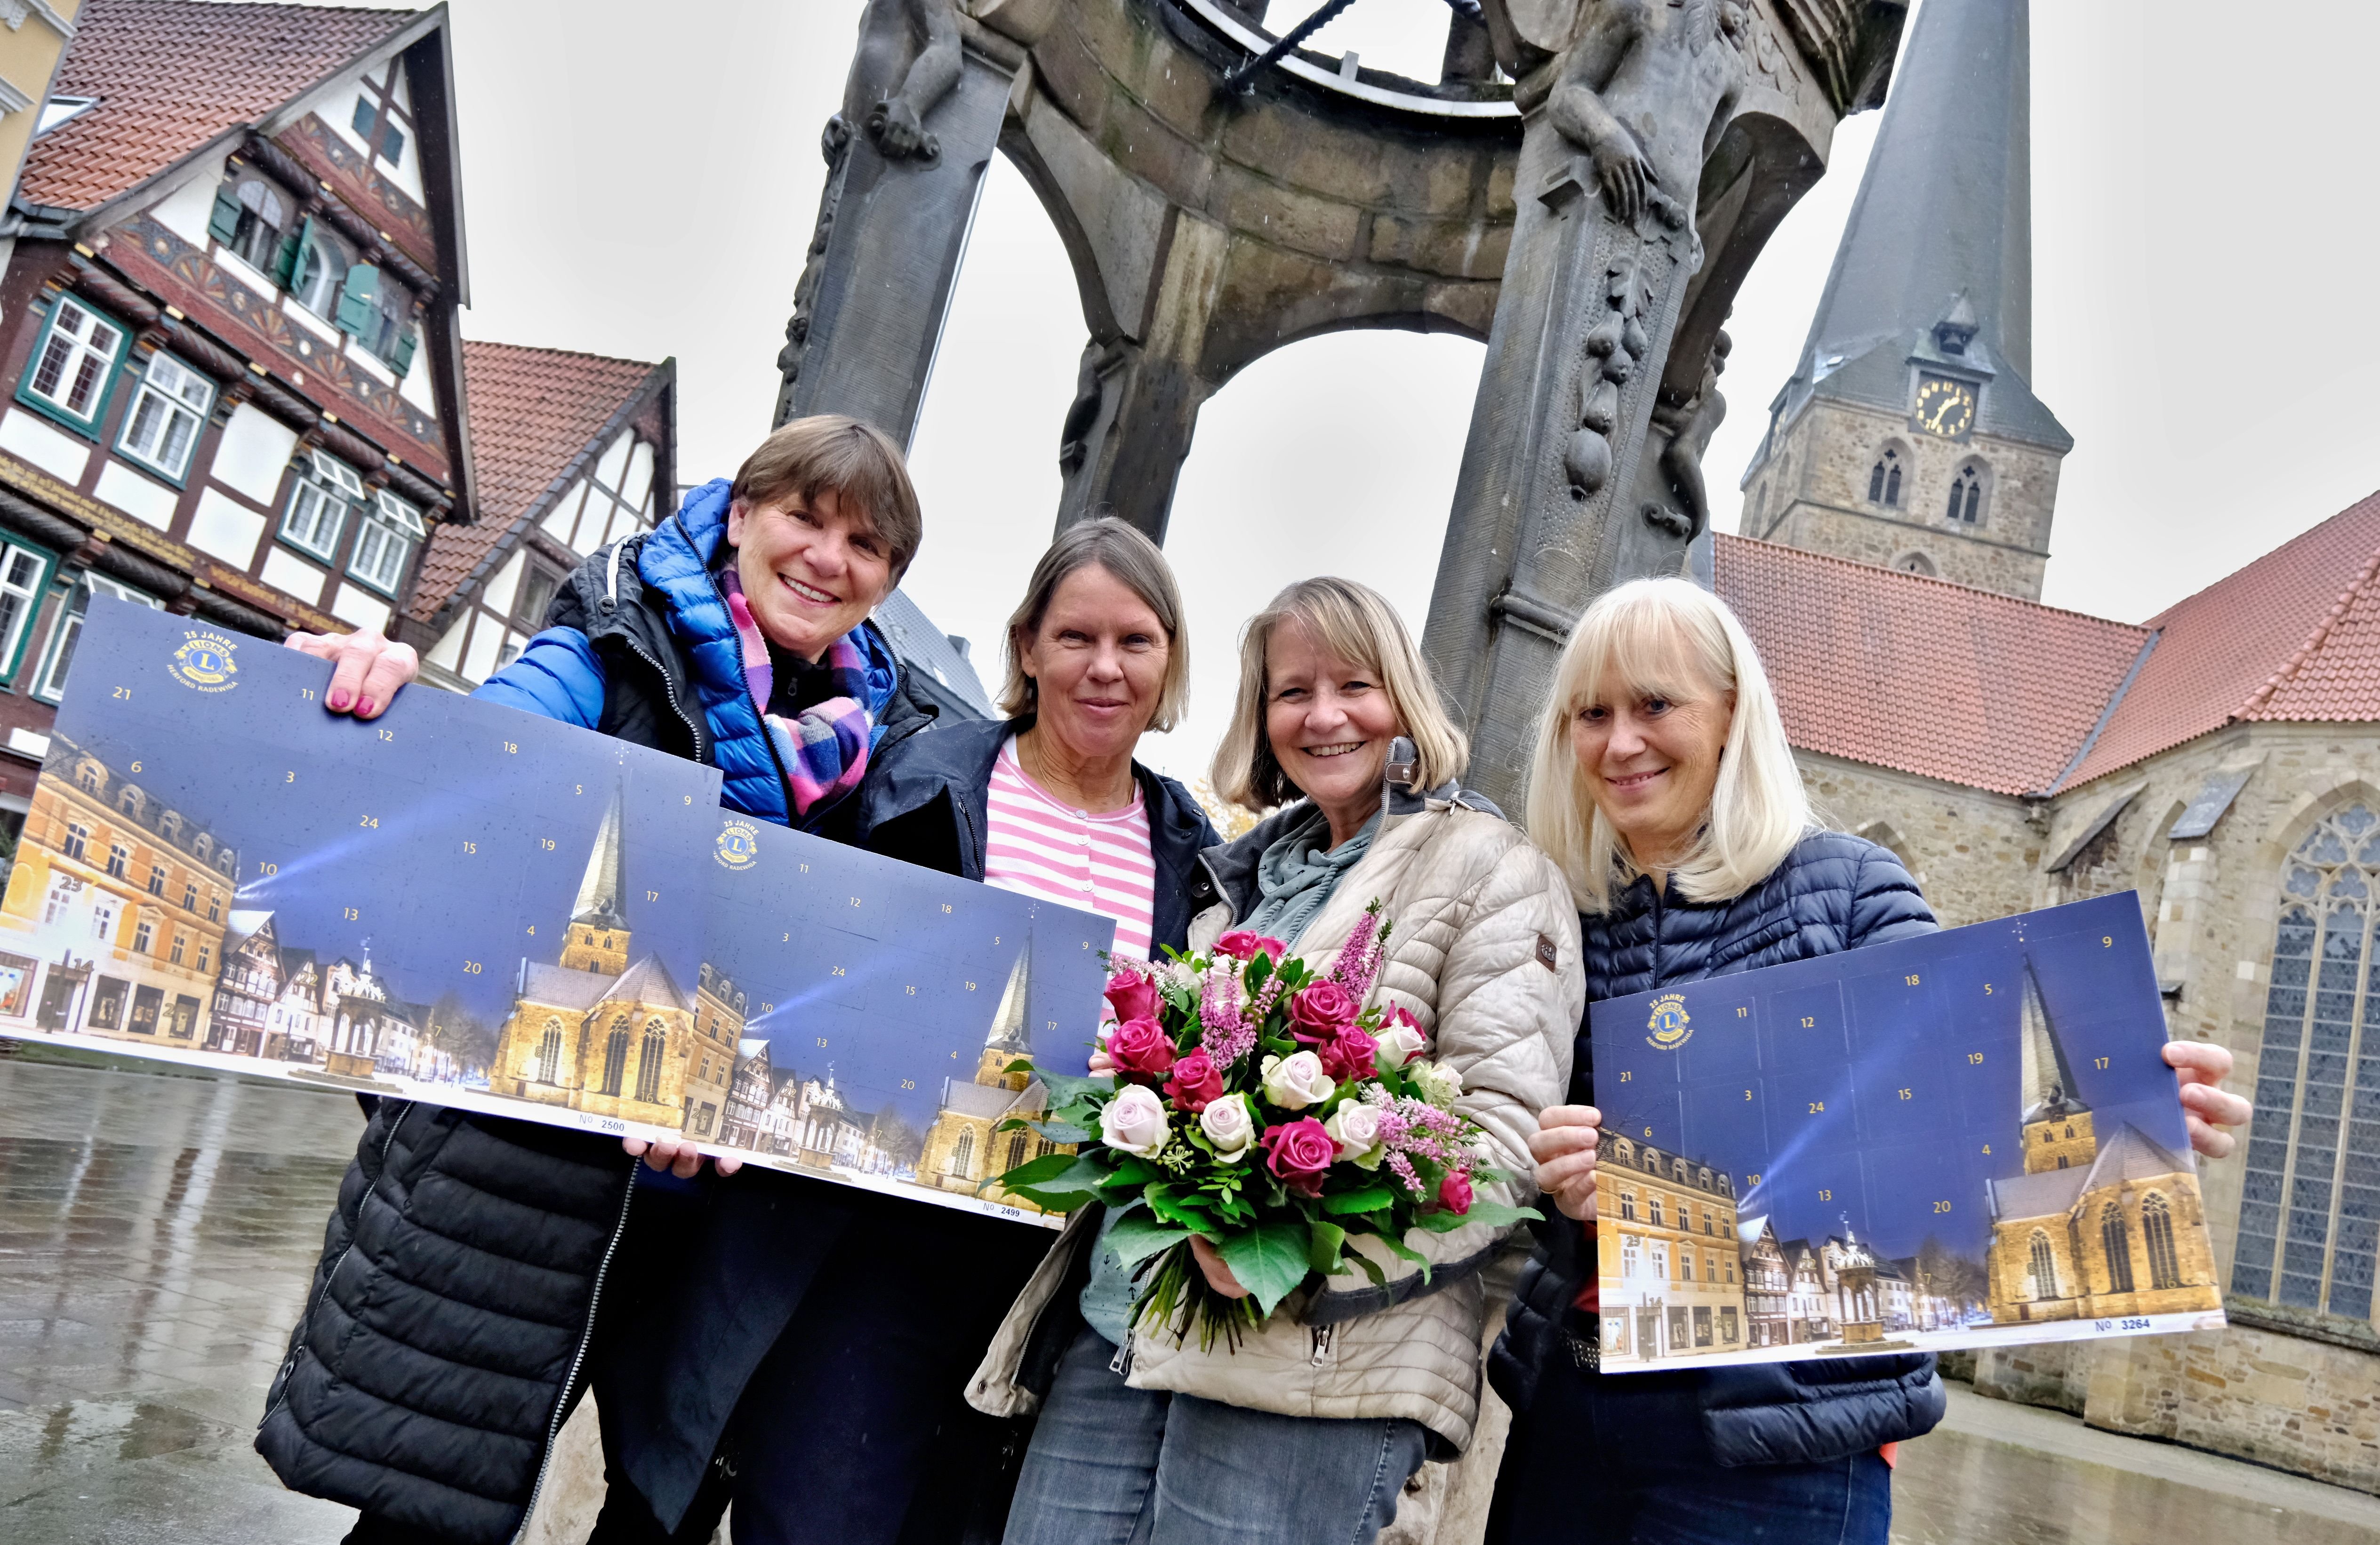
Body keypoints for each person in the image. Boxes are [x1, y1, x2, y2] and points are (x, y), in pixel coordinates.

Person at [258, 415, 943, 1545]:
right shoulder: (612, 649)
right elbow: (467, 775)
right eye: (805, 518)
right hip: (531, 1186)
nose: (830, 557)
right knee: (427, 1520)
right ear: (740, 517)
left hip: (719, 1220)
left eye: (866, 544)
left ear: (887, 582)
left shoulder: (887, 742)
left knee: (653, 1517)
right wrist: (377, 701)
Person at [1485, 576, 2253, 1545]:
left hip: (1790, 1440)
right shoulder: (1557, 911)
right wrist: (1553, 1174)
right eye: (1591, 714)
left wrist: (2129, 1112)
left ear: (1730, 715)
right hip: (1575, 1412)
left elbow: (1952, 1117)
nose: (1620, 742)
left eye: (1655, 704)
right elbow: (1495, 1139)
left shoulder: (1847, 888)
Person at [972, 577, 1584, 1545]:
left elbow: (1498, 1143)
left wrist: (1286, 1260)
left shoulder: (1493, 870)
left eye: (1357, 685)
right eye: (1293, 692)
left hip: (1316, 1373)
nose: (1325, 715)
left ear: (1406, 703)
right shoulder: (1237, 879)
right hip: (1122, 1335)